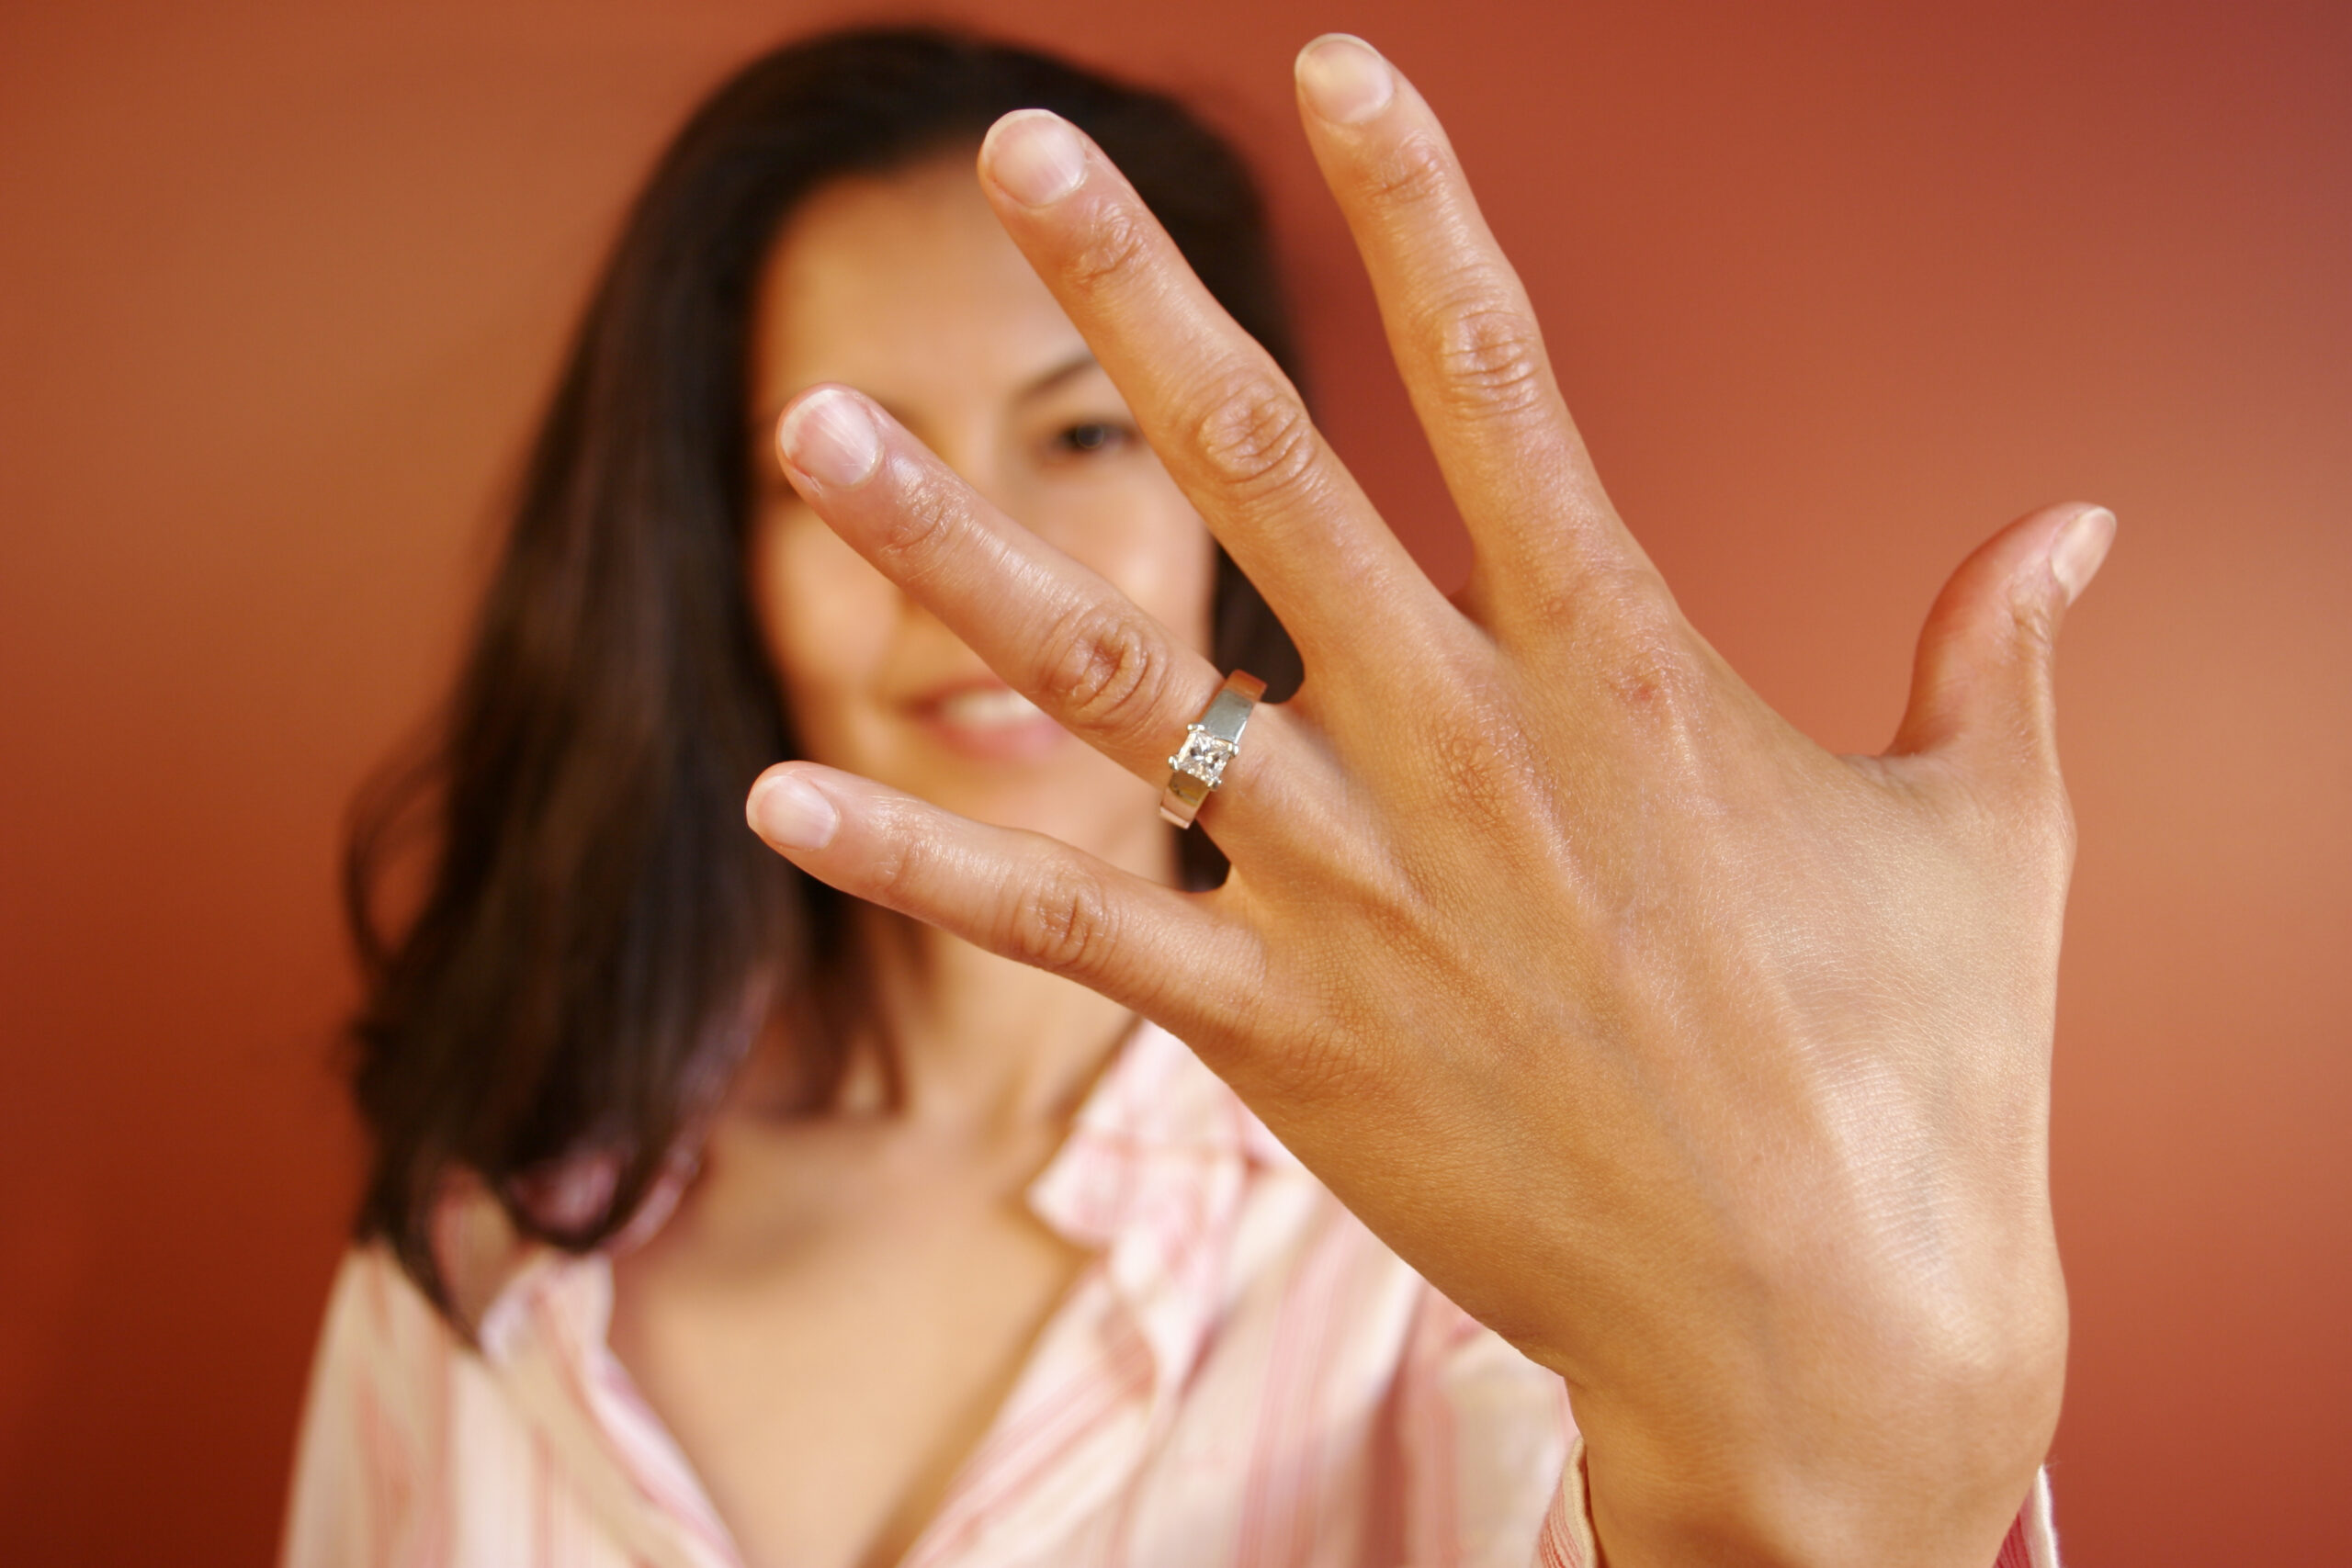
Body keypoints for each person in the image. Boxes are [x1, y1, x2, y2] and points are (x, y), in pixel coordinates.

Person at [286, 24, 2100, 1568]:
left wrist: (1870, 1464)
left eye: (1081, 436)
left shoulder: (1489, 1208)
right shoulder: (496, 1208)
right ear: (714, 551)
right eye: (849, 464)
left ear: (1219, 501)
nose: (962, 557)